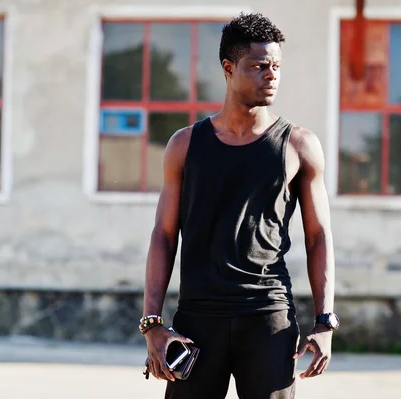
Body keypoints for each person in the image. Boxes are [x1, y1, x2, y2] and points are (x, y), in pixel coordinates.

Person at [139, 12, 339, 399]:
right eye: (260, 66)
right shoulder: (185, 145)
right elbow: (164, 235)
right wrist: (153, 324)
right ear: (229, 69)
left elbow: (318, 237)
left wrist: (324, 321)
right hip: (197, 321)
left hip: (268, 317)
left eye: (277, 66)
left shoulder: (299, 146)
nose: (271, 75)